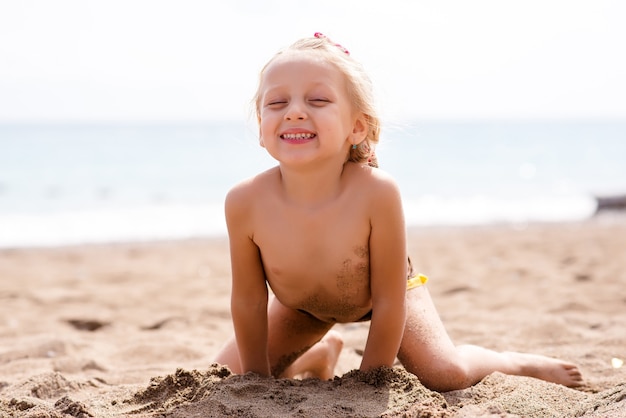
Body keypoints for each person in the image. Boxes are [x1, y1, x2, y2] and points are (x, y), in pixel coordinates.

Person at [213, 33, 584, 391]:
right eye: (277, 103)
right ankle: (319, 355)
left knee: (445, 374)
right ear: (262, 128)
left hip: (386, 298)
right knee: (224, 376)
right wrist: (255, 383)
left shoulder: (377, 191)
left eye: (318, 101)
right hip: (302, 308)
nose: (294, 112)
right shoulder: (244, 201)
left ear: (357, 127)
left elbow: (390, 301)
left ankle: (511, 363)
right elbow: (248, 300)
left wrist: (369, 380)